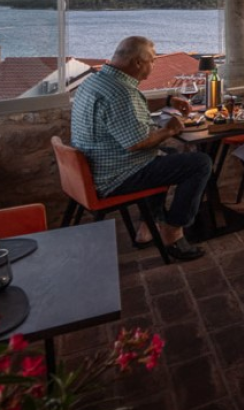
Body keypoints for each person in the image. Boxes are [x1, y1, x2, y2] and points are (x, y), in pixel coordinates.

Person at [70, 36, 212, 261]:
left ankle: (148, 225)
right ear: (137, 63)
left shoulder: (98, 81)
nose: (153, 66)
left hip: (92, 169)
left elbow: (129, 110)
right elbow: (136, 143)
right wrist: (170, 130)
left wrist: (167, 101)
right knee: (200, 163)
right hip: (115, 176)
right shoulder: (121, 92)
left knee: (169, 156)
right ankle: (173, 232)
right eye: (152, 61)